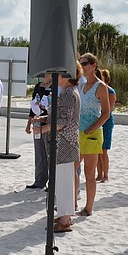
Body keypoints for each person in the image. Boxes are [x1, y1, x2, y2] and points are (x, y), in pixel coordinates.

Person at [40, 73, 81, 232]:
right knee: (61, 181)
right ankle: (64, 216)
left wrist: (45, 127)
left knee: (64, 181)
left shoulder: (69, 93)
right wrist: (44, 119)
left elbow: (64, 120)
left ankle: (65, 220)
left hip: (65, 142)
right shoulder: (67, 92)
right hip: (63, 142)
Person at [76, 53, 111, 216]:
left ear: (94, 65)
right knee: (73, 168)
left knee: (89, 173)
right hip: (78, 132)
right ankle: (72, 202)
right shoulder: (82, 86)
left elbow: (106, 113)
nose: (81, 66)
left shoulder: (100, 87)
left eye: (85, 63)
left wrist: (91, 128)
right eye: (80, 63)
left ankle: (88, 207)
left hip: (92, 133)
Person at [25, 73, 52, 189]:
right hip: (37, 122)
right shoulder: (37, 86)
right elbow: (33, 106)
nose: (44, 75)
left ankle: (52, 182)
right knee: (39, 153)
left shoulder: (55, 86)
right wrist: (28, 123)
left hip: (48, 122)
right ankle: (39, 180)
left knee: (49, 153)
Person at [97, 69, 116, 183]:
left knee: (104, 150)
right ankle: (99, 174)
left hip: (106, 121)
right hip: (96, 119)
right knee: (97, 149)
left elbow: (109, 109)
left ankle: (105, 175)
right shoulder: (95, 90)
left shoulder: (110, 91)